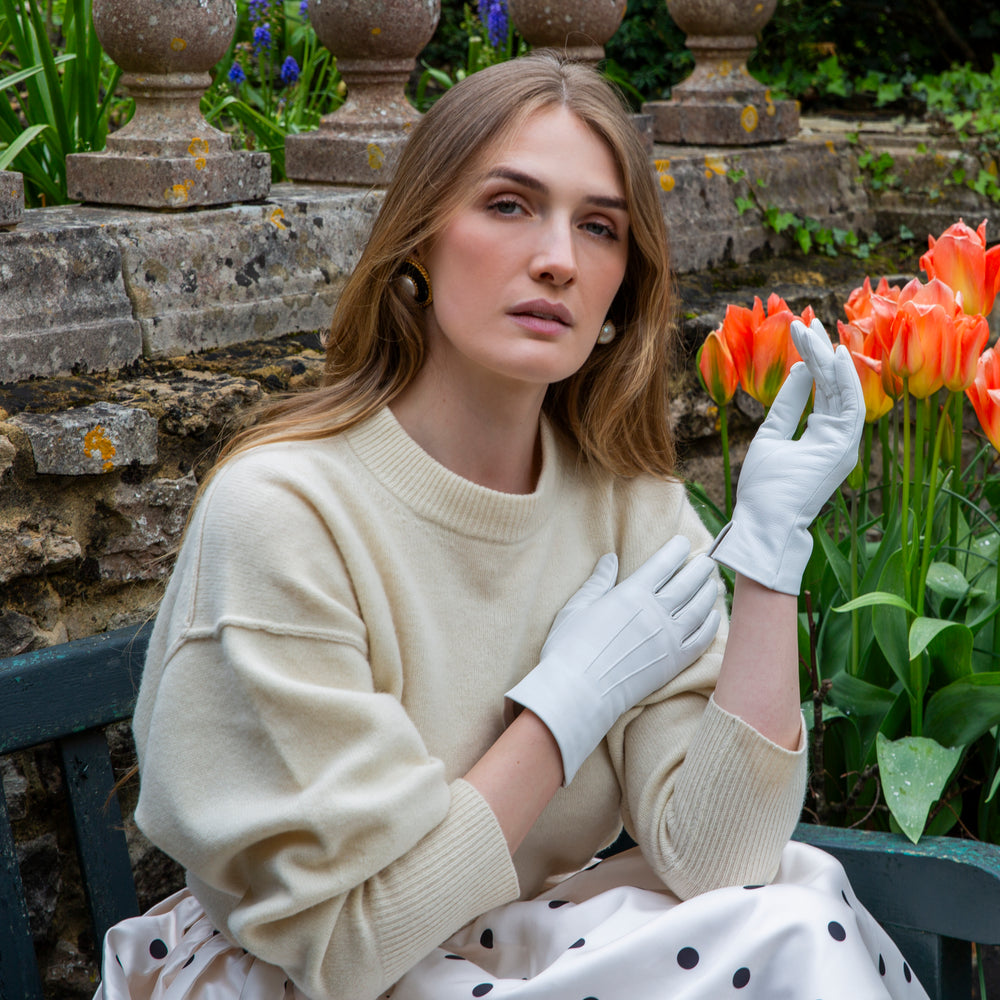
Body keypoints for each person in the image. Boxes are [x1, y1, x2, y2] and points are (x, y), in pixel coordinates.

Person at [94, 52, 928, 1000]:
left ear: (622, 289)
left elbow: (719, 858)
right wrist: (564, 710)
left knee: (798, 903)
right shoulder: (286, 516)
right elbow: (351, 944)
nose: (559, 259)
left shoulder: (627, 502)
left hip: (503, 953)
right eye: (508, 205)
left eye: (600, 227)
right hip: (301, 978)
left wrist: (774, 551)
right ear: (417, 240)